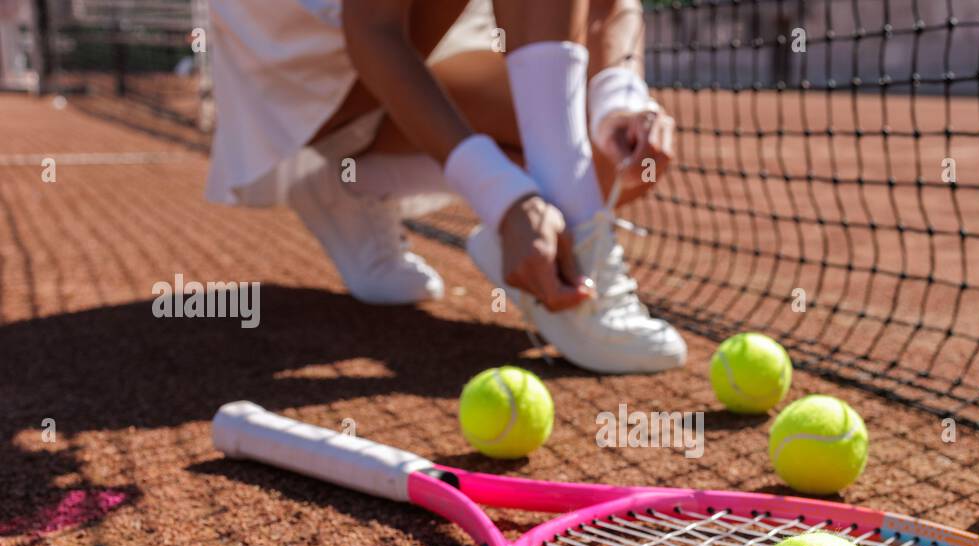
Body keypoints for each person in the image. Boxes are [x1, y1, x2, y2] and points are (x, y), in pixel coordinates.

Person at [204, 0, 686, 374]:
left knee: (604, 151)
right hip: (315, 64)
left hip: (423, 42)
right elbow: (373, 29)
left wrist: (618, 96)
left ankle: (345, 184)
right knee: (570, 151)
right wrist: (504, 196)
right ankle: (581, 265)